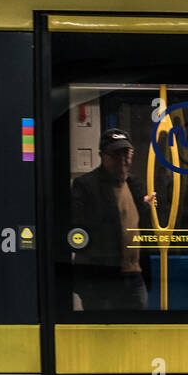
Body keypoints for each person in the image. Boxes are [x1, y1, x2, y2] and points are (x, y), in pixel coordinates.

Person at [69, 130, 156, 311]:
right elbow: (81, 228)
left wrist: (145, 206)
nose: (122, 160)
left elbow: (136, 223)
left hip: (134, 276)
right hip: (101, 279)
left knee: (137, 332)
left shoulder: (134, 184)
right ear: (102, 156)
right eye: (116, 154)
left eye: (126, 154)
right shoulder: (85, 185)